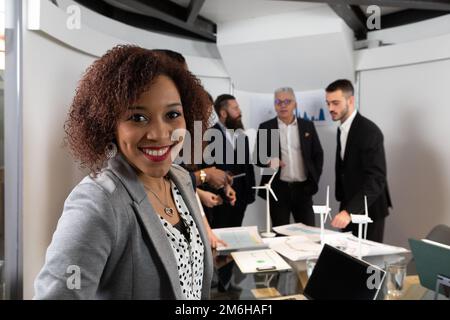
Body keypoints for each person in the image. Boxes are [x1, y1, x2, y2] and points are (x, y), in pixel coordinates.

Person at [34, 45, 213, 299]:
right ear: (109, 125)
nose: (160, 134)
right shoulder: (98, 202)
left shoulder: (181, 179)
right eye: (138, 118)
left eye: (172, 114)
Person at [326, 79, 392, 242]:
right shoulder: (342, 128)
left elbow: (376, 179)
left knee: (368, 264)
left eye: (335, 103)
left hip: (369, 210)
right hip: (348, 206)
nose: (330, 109)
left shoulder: (369, 132)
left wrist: (349, 211)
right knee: (348, 260)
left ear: (351, 100)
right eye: (328, 103)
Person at [206, 94, 256, 292]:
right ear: (223, 112)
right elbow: (211, 168)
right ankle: (214, 282)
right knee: (220, 240)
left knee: (235, 239)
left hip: (241, 196)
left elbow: (248, 166)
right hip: (220, 198)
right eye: (235, 108)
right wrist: (224, 187)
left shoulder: (241, 134)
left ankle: (228, 283)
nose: (240, 111)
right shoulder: (210, 134)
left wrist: (249, 193)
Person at [255, 87, 324, 227]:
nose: (283, 105)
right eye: (278, 102)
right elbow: (257, 157)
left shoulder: (307, 126)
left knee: (309, 233)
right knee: (280, 234)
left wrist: (313, 179)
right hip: (278, 189)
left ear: (295, 104)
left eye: (287, 101)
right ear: (274, 105)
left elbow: (318, 155)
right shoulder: (266, 127)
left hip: (303, 190)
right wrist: (269, 161)